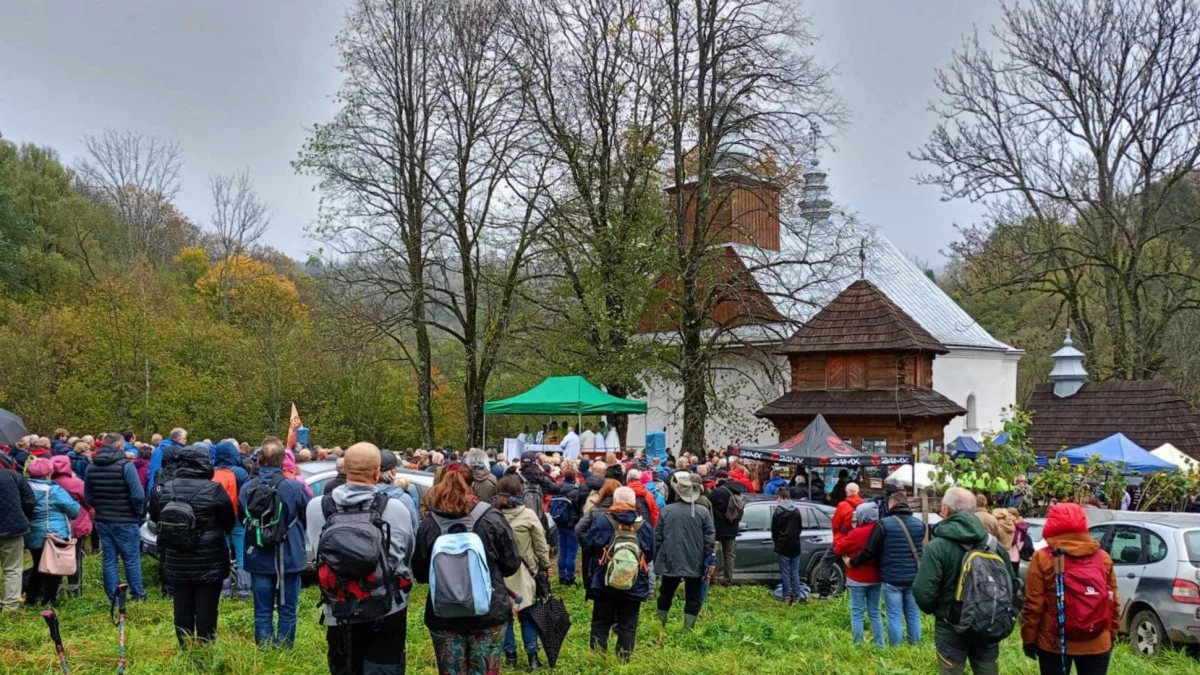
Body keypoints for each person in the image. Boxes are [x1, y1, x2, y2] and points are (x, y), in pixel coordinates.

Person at [306, 443, 414, 675]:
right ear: (377, 472)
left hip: (340, 609)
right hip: (387, 609)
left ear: (344, 469)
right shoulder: (395, 508)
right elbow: (406, 554)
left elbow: (319, 553)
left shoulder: (317, 508)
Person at [412, 462, 520, 675]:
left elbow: (420, 573)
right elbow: (511, 564)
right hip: (489, 610)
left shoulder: (430, 523)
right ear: (472, 484)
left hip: (444, 613)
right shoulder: (491, 517)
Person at [913, 487, 1015, 675]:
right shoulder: (994, 546)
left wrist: (940, 611)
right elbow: (1012, 586)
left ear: (945, 510)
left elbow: (922, 592)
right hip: (988, 622)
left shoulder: (937, 547)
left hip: (951, 626)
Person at [1021, 502, 1118, 675]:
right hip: (1096, 640)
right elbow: (1113, 601)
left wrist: (1029, 638)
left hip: (1054, 642)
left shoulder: (1043, 557)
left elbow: (1034, 604)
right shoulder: (1103, 557)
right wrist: (1111, 634)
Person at [150, 445, 234, 644]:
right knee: (207, 607)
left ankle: (185, 647)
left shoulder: (167, 487)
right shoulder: (214, 489)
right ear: (205, 463)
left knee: (181, 605)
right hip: (209, 558)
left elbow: (155, 516)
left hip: (176, 556)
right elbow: (228, 521)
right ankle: (205, 648)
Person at [240, 439, 310, 647]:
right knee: (288, 607)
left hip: (257, 554)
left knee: (262, 608)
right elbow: (305, 515)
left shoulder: (246, 488)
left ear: (259, 460)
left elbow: (241, 517)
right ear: (282, 461)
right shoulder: (294, 487)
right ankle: (284, 648)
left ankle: (264, 646)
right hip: (288, 554)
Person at [582, 486, 655, 661]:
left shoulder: (602, 521)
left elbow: (588, 544)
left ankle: (598, 660)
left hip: (604, 582)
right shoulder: (644, 525)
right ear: (633, 502)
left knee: (600, 622)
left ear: (615, 501)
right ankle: (623, 661)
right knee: (628, 625)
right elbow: (651, 554)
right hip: (634, 582)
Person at [852, 491, 925, 646]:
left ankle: (896, 648)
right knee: (913, 614)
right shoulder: (919, 525)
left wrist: (853, 562)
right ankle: (915, 647)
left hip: (891, 578)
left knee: (894, 614)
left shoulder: (883, 524)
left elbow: (869, 551)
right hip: (914, 577)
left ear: (891, 504)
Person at [495, 474, 551, 670]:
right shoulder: (528, 516)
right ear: (520, 492)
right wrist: (545, 566)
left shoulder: (491, 516)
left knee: (505, 618)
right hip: (524, 573)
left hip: (498, 575)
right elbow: (541, 545)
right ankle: (533, 657)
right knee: (527, 615)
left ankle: (510, 657)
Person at [84, 432, 147, 601]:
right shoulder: (125, 466)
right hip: (126, 518)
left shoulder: (91, 466)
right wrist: (137, 511)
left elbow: (88, 495)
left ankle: (113, 596)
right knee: (131, 558)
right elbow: (138, 494)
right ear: (120, 446)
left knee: (109, 558)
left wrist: (100, 507)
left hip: (103, 519)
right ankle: (137, 594)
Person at [655, 471, 714, 628]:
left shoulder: (666, 511)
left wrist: (656, 557)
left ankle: (660, 625)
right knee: (693, 595)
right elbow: (709, 539)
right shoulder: (703, 512)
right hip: (695, 560)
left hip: (670, 559)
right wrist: (707, 558)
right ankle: (688, 628)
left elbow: (657, 538)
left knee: (665, 593)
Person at [836, 502, 884, 647]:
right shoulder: (881, 530)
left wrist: (846, 557)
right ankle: (879, 645)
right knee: (875, 612)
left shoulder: (856, 533)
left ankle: (858, 644)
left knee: (857, 612)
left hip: (857, 577)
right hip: (876, 577)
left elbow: (838, 547)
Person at [213, 439, 251, 600]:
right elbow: (246, 497)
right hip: (237, 519)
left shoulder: (212, 471)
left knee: (222, 554)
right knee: (242, 555)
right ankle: (244, 591)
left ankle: (224, 591)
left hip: (218, 519)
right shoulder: (240, 473)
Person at [50, 455, 91, 598]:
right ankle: (75, 589)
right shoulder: (76, 483)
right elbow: (87, 501)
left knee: (55, 557)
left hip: (53, 526)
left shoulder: (48, 482)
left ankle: (57, 587)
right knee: (75, 557)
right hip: (76, 524)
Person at [0, 456, 34, 611]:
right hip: (12, 528)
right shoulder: (13, 476)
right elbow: (29, 500)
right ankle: (10, 605)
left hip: (11, 527)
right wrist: (22, 516)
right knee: (12, 568)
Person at [708, 470, 745, 585]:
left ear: (718, 478)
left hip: (717, 528)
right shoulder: (736, 491)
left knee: (713, 553)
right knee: (729, 555)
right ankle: (728, 580)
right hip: (732, 527)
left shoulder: (717, 492)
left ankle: (712, 578)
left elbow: (709, 506)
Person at [771, 486, 804, 604]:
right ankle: (796, 596)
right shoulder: (796, 510)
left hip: (783, 546)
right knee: (795, 572)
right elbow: (800, 528)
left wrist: (777, 542)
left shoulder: (778, 511)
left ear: (781, 497)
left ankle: (786, 597)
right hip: (795, 545)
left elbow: (774, 530)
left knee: (785, 572)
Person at [552, 468, 582, 587]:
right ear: (574, 477)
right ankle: (569, 577)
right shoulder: (575, 491)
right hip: (572, 524)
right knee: (572, 553)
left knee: (562, 550)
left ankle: (561, 575)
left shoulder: (558, 489)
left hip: (560, 523)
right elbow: (578, 507)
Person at [147, 427, 187, 496]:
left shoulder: (158, 448)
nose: (186, 441)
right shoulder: (176, 451)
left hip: (155, 484)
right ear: (179, 439)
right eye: (184, 438)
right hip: (166, 487)